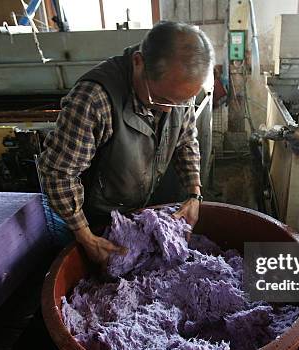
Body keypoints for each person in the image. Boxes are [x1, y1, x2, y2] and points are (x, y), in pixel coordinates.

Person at [38, 21, 215, 266]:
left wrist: (194, 193)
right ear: (138, 62)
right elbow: (58, 173)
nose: (168, 109)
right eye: (161, 99)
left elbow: (185, 140)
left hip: (138, 205)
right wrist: (85, 237)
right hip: (95, 217)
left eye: (181, 103)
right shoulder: (94, 99)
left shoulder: (176, 95)